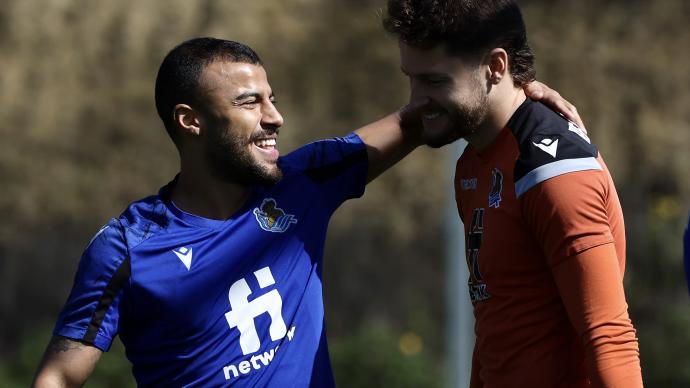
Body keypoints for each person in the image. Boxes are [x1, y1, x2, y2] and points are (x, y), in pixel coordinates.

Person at [32, 37, 582, 387]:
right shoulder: (127, 247)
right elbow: (58, 375)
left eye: (271, 98)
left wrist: (509, 88)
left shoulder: (303, 184)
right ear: (190, 121)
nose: (276, 118)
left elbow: (424, 117)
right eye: (250, 103)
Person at [384, 1, 642, 387]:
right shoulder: (472, 163)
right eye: (412, 78)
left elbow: (610, 338)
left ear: (496, 66)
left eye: (435, 82)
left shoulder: (552, 171)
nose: (416, 100)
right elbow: (495, 327)